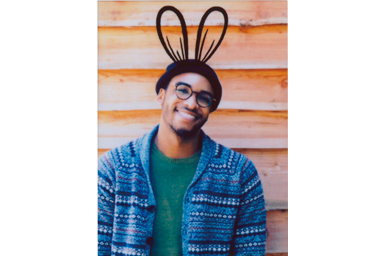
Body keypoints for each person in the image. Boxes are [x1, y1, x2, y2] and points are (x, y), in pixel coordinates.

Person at [98, 6, 267, 256]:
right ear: (161, 95)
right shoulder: (114, 168)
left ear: (210, 108)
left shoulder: (239, 173)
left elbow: (250, 251)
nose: (191, 103)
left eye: (204, 98)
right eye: (183, 90)